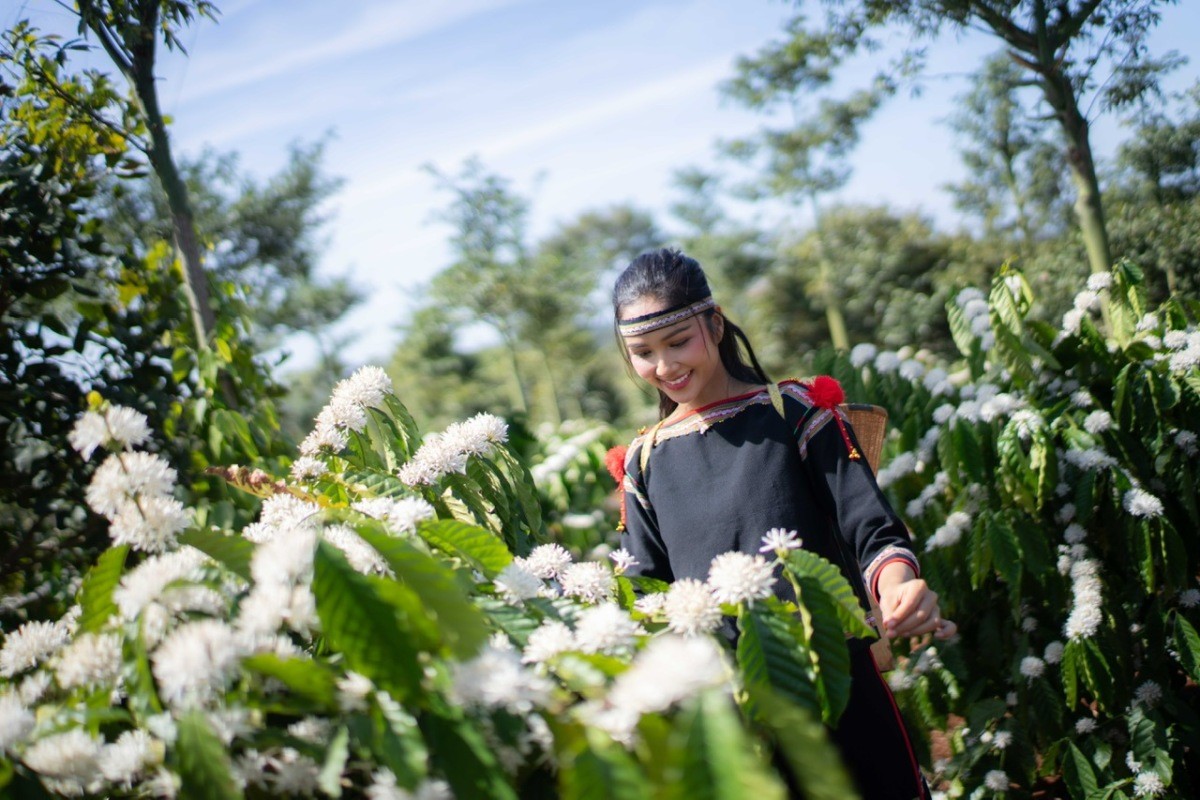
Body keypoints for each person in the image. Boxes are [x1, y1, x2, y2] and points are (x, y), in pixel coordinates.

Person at [612, 248, 955, 800]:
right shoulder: (643, 462)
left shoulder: (795, 412)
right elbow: (643, 590)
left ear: (715, 324)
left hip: (837, 685)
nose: (665, 366)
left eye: (678, 342)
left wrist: (899, 590)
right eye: (643, 353)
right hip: (731, 715)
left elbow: (871, 528)